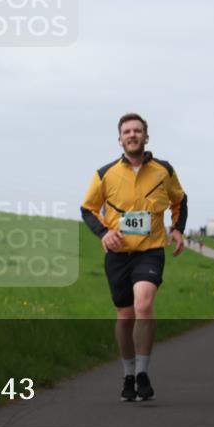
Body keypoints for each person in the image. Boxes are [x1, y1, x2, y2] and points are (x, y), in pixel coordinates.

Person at [81, 113, 188, 402]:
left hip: (150, 251)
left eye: (137, 130)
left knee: (144, 303)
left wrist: (177, 229)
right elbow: (87, 209)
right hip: (118, 254)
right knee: (125, 315)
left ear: (146, 136)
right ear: (120, 139)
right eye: (127, 131)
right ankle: (128, 374)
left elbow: (179, 200)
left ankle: (142, 372)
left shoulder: (163, 170)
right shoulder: (105, 174)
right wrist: (104, 232)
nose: (132, 135)